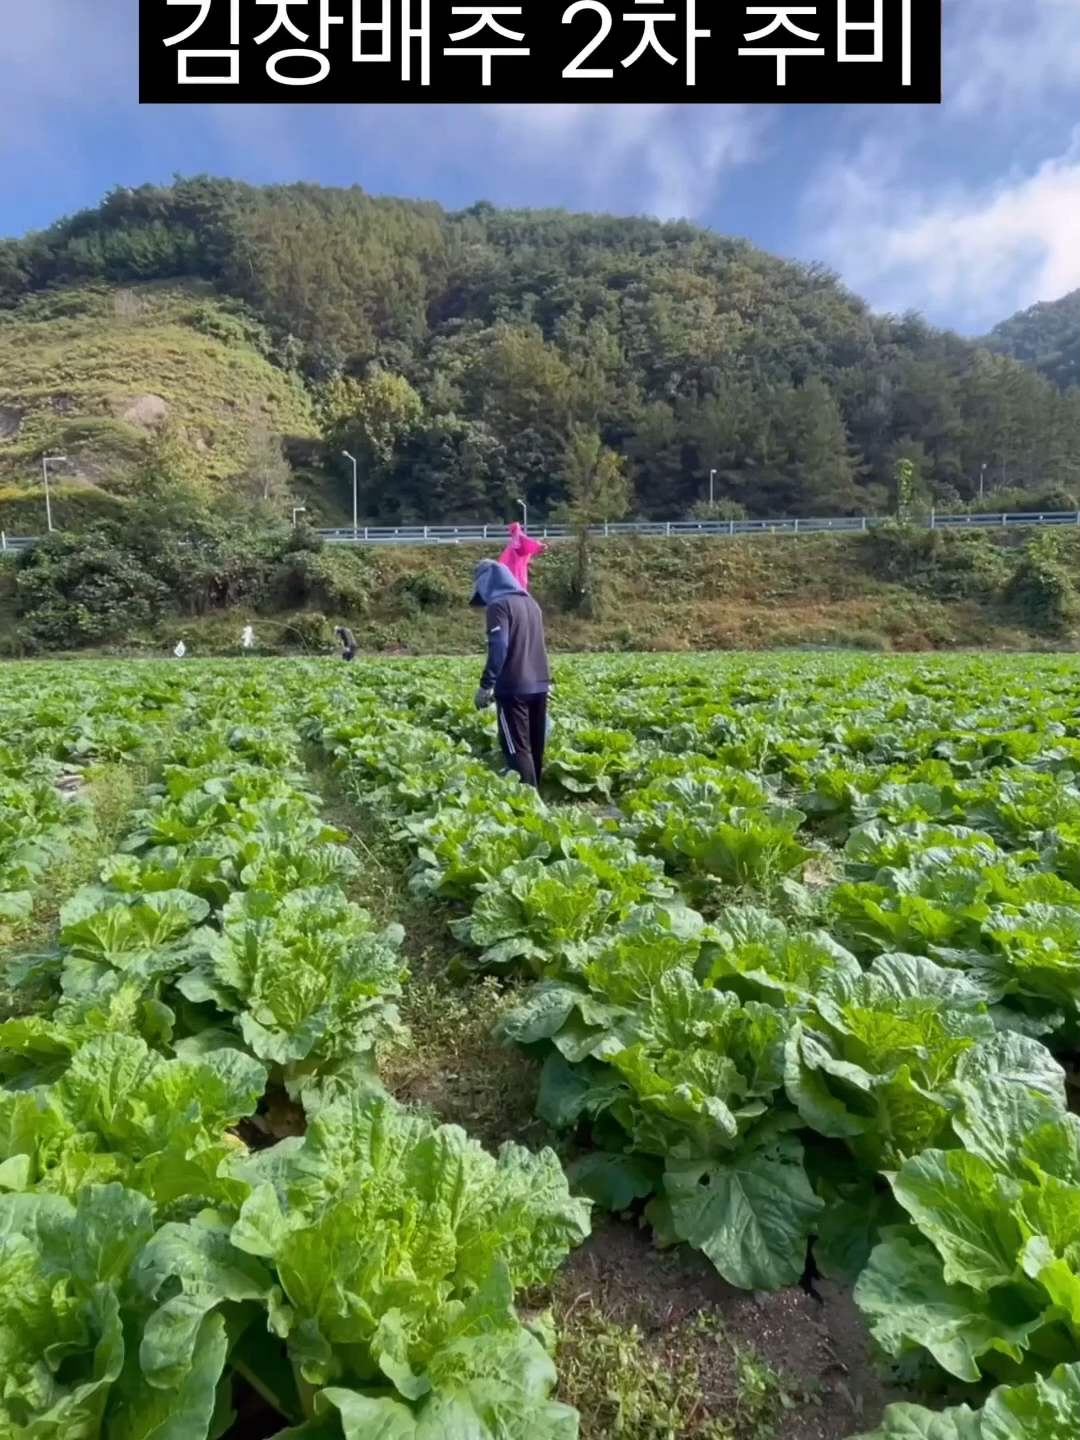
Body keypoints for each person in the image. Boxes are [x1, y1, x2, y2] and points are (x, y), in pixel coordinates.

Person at [470, 559, 550, 789]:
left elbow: (500, 645)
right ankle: (536, 798)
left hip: (513, 686)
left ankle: (527, 801)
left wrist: (487, 684)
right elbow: (539, 645)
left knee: (516, 746)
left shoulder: (499, 605)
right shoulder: (531, 603)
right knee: (535, 744)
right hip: (539, 683)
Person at [498, 521, 545, 591]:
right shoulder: (519, 539)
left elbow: (504, 560)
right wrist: (540, 545)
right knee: (520, 582)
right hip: (520, 567)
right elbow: (530, 543)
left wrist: (539, 545)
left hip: (514, 567)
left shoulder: (514, 542)